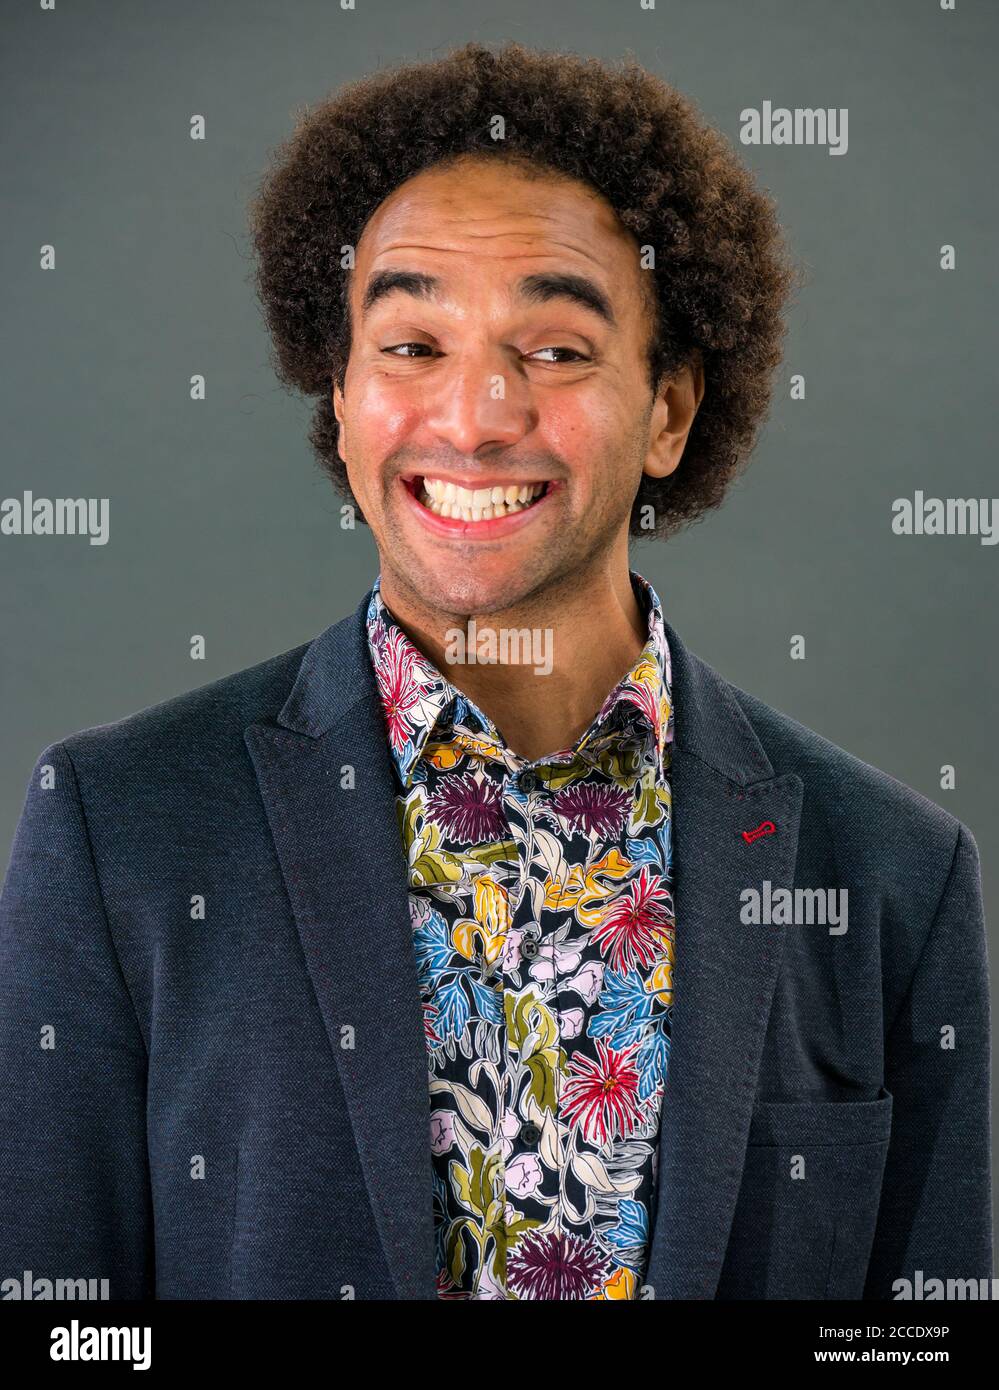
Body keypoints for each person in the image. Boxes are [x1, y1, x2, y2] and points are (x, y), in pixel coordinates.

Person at [0, 42, 990, 1302]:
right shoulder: (120, 830)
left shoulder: (893, 877)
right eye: (411, 343)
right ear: (344, 396)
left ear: (671, 412)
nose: (473, 416)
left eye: (558, 350)